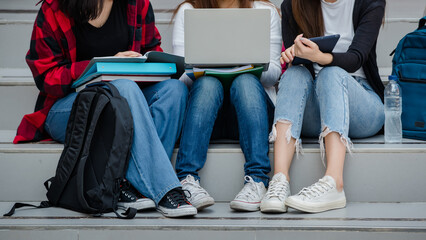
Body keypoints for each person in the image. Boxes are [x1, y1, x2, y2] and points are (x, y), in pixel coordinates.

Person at [14, 0, 197, 218]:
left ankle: (129, 186)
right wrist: (99, 66)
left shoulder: (138, 4)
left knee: (174, 90)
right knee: (123, 87)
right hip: (69, 108)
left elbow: (152, 50)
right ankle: (166, 190)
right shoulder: (55, 8)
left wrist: (146, 63)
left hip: (127, 101)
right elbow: (45, 77)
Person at [260, 0, 385, 213]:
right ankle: (279, 181)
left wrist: (319, 57)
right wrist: (293, 55)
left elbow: (356, 58)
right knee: (293, 74)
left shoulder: (370, 2)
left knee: (331, 73)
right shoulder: (293, 5)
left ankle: (334, 182)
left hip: (362, 106)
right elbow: (300, 67)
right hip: (315, 108)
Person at [172, 0, 282, 211]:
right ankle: (186, 179)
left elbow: (273, 74)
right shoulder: (189, 11)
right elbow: (181, 75)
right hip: (206, 116)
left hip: (252, 115)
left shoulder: (265, 11)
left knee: (245, 81)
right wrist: (204, 66)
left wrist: (244, 64)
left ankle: (258, 180)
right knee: (208, 83)